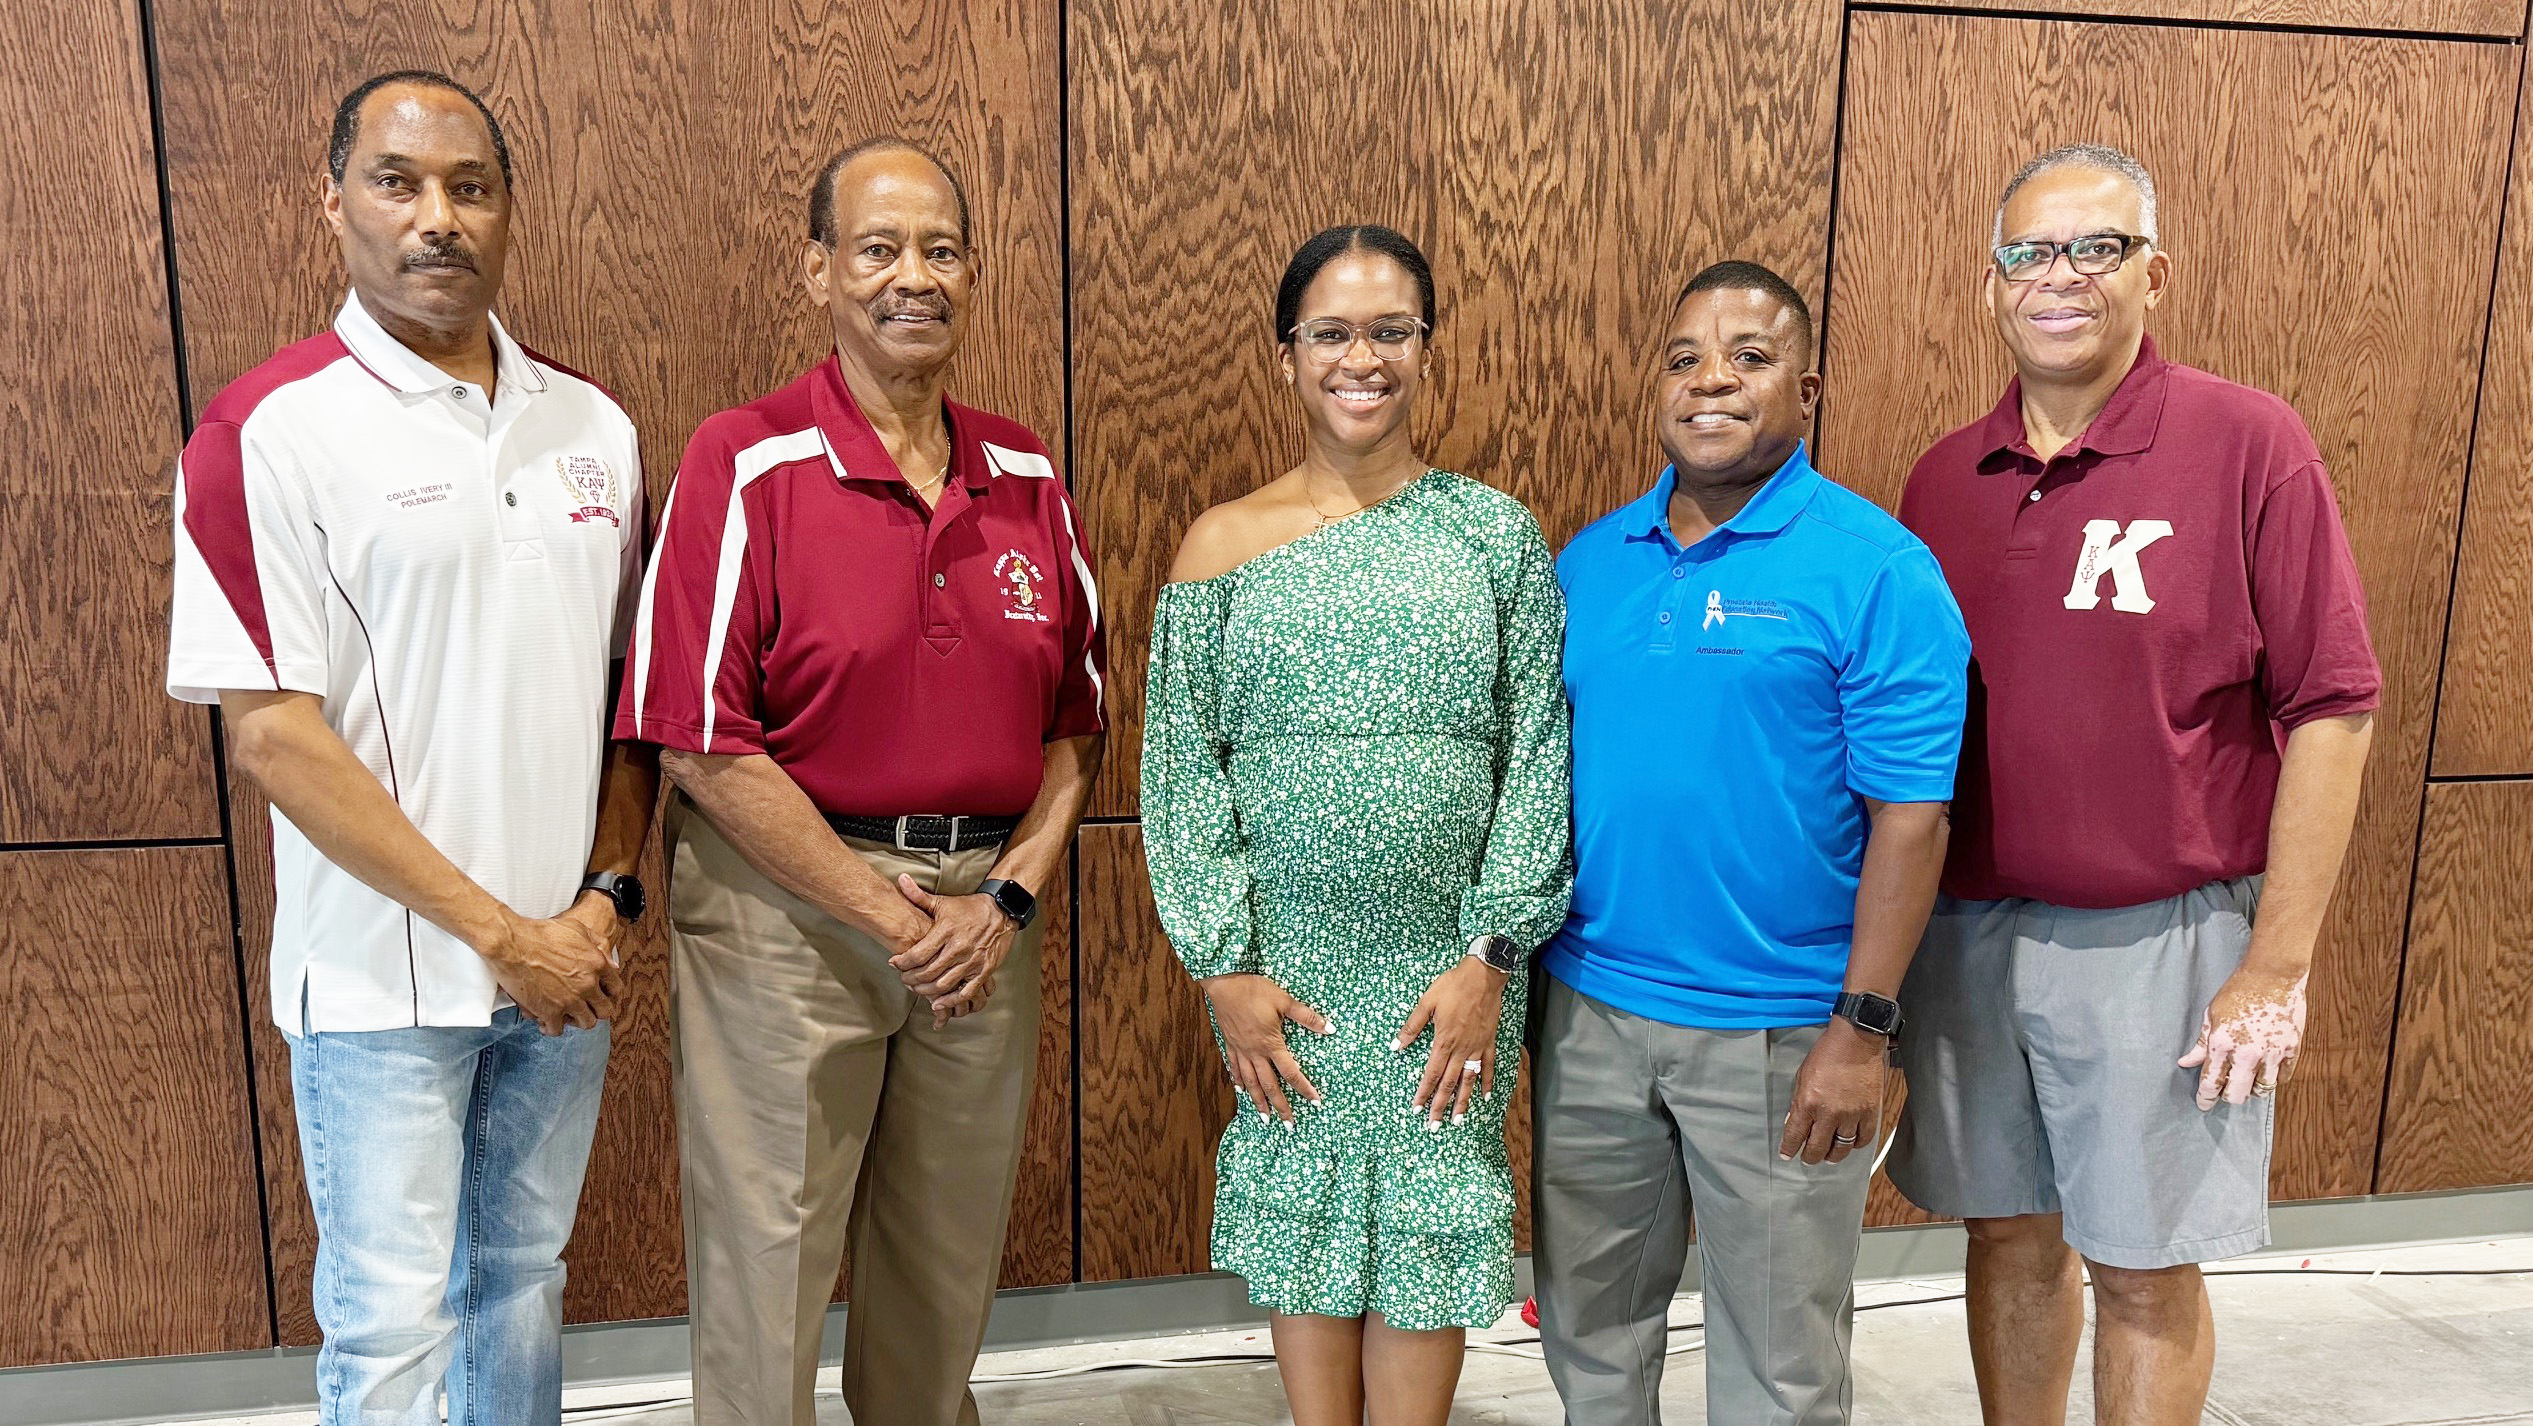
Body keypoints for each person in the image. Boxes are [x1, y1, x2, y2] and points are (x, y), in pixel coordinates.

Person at [164, 70, 654, 1425]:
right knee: (389, 1323)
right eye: (397, 182)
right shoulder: (265, 432)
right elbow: (273, 738)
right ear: (332, 203)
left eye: (470, 187)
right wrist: (504, 931)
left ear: (507, 212)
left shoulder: (594, 428)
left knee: (521, 1283)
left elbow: (629, 699)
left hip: (564, 968)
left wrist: (604, 898)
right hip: (381, 985)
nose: (437, 218)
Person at [614, 137, 1104, 1426]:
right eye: (879, 248)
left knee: (943, 1266)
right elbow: (698, 742)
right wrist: (891, 915)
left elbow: (1075, 731)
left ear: (973, 273)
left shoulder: (1028, 476)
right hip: (790, 916)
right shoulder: (746, 461)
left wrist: (998, 903)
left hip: (979, 924)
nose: (914, 277)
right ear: (819, 268)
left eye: (941, 250)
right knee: (768, 1266)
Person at [1891, 143, 2380, 1426]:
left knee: (2143, 1265)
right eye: (2029, 253)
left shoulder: (2246, 442)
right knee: (2004, 1236)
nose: (2060, 278)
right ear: (1992, 284)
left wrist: (2275, 964)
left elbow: (2332, 707)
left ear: (2153, 273)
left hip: (2161, 934)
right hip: (1971, 930)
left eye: (2095, 249)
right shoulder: (1944, 479)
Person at [1141, 223, 1572, 1426]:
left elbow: (1538, 751)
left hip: (1451, 971)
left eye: (1391, 331)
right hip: (1291, 975)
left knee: (1432, 1210)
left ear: (1427, 350)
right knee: (1308, 1209)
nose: (1360, 358)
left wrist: (1492, 954)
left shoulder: (1496, 537)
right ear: (1286, 355)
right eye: (1331, 332)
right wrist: (1221, 968)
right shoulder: (1217, 545)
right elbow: (1181, 774)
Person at [1532, 261, 1969, 1426]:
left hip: (1783, 1037)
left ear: (1808, 387)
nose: (1710, 379)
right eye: (1683, 358)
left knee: (1778, 1367)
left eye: (1749, 356)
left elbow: (1912, 821)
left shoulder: (1876, 570)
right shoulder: (1588, 563)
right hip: (1590, 1019)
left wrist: (1860, 1033)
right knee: (1589, 1333)